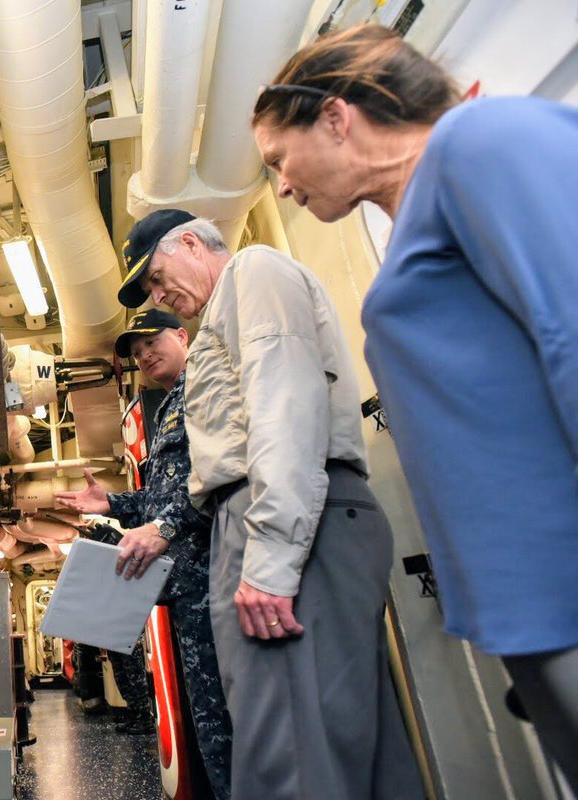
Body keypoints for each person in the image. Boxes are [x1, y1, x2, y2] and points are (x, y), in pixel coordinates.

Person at [252, 24, 578, 787]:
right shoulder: (419, 216)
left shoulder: (481, 142)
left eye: (278, 160)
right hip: (531, 597)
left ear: (336, 118)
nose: (284, 186)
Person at [118, 210, 422, 799]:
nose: (159, 297)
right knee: (337, 746)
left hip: (282, 519)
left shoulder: (251, 273)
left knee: (289, 751)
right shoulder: (221, 316)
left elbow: (285, 409)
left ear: (190, 243)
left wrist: (271, 563)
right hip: (266, 516)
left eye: (156, 278)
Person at [57, 302, 232, 800]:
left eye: (152, 341)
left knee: (223, 721)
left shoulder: (203, 385)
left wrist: (166, 526)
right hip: (185, 589)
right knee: (205, 720)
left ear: (182, 336)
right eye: (137, 352)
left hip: (213, 583)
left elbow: (218, 475)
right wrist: (111, 503)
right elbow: (164, 497)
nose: (145, 355)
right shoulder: (169, 404)